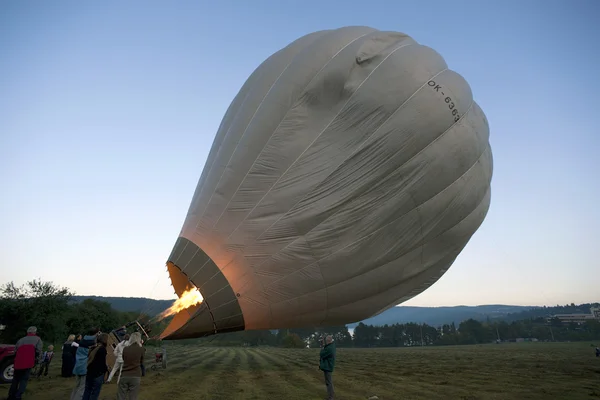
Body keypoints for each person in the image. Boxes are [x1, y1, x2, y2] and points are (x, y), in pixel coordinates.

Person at [7, 326, 42, 400]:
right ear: (35, 332)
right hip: (28, 363)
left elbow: (15, 351)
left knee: (15, 380)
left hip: (18, 363)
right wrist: (38, 361)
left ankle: (11, 395)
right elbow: (39, 351)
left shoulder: (21, 339)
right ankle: (18, 396)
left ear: (27, 332)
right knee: (24, 379)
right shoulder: (38, 339)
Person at [70, 328, 98, 400]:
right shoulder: (92, 342)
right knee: (82, 388)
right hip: (85, 367)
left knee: (76, 386)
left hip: (78, 366)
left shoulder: (82, 341)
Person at [117, 332, 145, 400]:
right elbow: (142, 362)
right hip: (135, 375)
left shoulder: (125, 349)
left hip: (124, 374)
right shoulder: (141, 349)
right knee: (133, 396)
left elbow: (124, 359)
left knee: (121, 396)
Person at [82, 333, 109, 400]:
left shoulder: (93, 347)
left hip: (90, 372)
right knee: (94, 393)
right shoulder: (102, 349)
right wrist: (106, 370)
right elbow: (102, 363)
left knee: (87, 391)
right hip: (98, 374)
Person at [319, 335, 336, 400]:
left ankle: (331, 397)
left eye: (326, 341)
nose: (326, 342)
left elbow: (322, 354)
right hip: (328, 366)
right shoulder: (331, 346)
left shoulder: (329, 348)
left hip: (328, 366)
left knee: (329, 382)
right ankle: (330, 396)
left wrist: (322, 348)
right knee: (328, 382)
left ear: (328, 341)